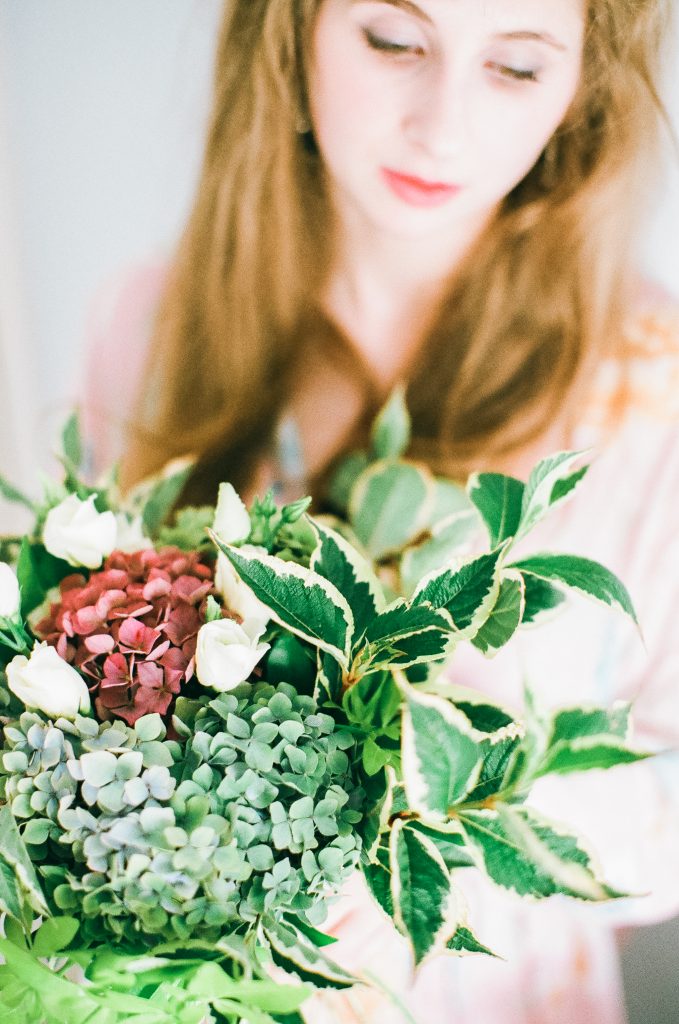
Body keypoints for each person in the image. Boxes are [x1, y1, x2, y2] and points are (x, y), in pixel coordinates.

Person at [84, 1, 679, 1021]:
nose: (441, 126)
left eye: (517, 69)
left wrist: (433, 824)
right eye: (394, 41)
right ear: (292, 31)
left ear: (579, 93)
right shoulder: (152, 327)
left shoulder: (651, 396)